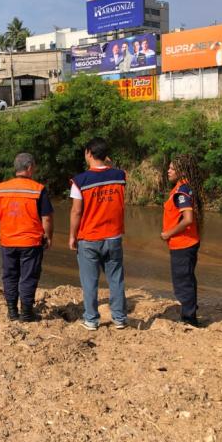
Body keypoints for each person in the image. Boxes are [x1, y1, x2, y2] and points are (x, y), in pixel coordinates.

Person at [69, 138, 127, 331]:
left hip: (89, 237)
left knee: (89, 282)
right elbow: (115, 171)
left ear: (88, 153)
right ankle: (119, 319)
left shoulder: (80, 181)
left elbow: (76, 211)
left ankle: (92, 320)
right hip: (114, 236)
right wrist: (109, 165)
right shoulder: (119, 176)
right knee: (116, 279)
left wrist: (72, 236)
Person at [0, 153, 54, 322]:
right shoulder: (38, 189)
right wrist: (48, 236)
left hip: (8, 241)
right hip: (31, 242)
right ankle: (27, 313)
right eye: (34, 166)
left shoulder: (1, 188)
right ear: (29, 168)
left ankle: (12, 312)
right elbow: (47, 218)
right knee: (28, 277)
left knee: (10, 276)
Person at [160, 154, 204, 327]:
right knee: (188, 279)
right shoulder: (186, 187)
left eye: (172, 168)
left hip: (183, 243)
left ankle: (189, 319)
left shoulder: (181, 192)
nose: (168, 170)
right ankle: (190, 310)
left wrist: (167, 234)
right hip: (189, 242)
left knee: (183, 282)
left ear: (182, 170)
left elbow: (187, 219)